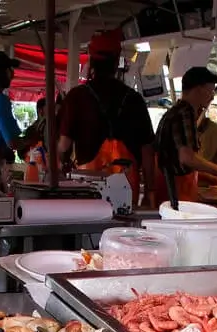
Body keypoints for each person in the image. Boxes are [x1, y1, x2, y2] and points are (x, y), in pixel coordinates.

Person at [57, 30, 156, 207]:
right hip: (127, 188)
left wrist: (57, 166)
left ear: (91, 60)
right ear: (117, 61)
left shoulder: (77, 97)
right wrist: (150, 191)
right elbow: (147, 150)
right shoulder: (134, 99)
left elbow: (63, 145)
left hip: (88, 186)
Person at [154, 66, 217, 203]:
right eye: (211, 90)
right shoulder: (185, 113)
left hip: (169, 195)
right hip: (176, 198)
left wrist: (209, 177)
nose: (212, 96)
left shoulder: (173, 113)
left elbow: (176, 163)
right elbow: (187, 158)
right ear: (199, 88)